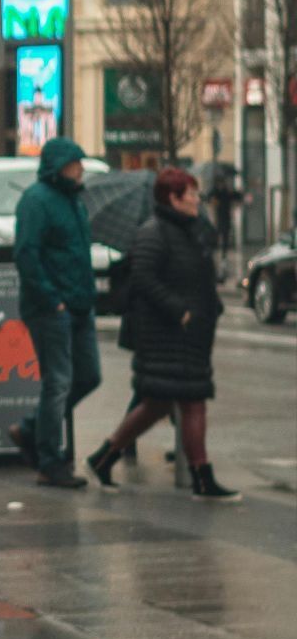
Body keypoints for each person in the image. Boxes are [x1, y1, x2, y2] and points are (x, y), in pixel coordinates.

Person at [86, 166, 239, 499]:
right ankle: (202, 477)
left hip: (189, 334)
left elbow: (199, 277)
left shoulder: (191, 231)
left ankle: (105, 457)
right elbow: (144, 279)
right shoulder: (154, 233)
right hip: (168, 334)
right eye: (191, 194)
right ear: (174, 198)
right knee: (193, 402)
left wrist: (211, 308)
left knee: (155, 405)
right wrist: (179, 311)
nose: (197, 199)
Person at [10, 135, 101, 490]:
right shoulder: (37, 201)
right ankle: (50, 460)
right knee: (58, 382)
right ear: (58, 168)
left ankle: (32, 429)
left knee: (88, 376)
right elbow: (26, 254)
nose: (80, 171)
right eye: (74, 165)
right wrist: (53, 300)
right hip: (51, 309)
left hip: (79, 304)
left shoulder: (73, 200)